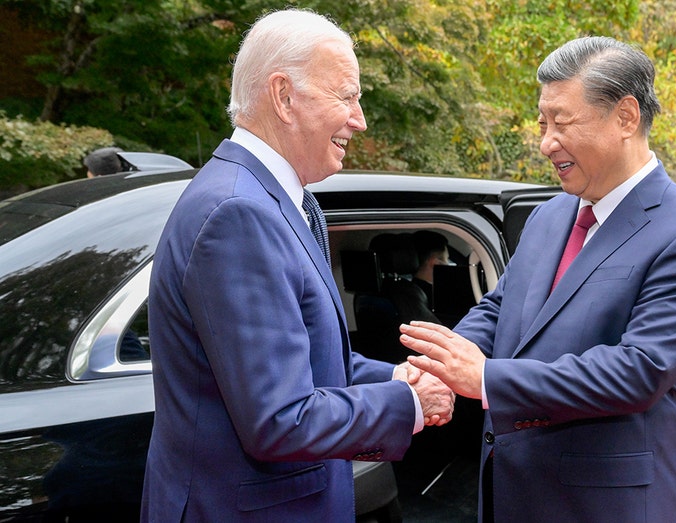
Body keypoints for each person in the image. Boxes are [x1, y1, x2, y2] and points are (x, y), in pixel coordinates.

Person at [399, 37, 676, 522]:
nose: (545, 143)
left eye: (562, 123)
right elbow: (502, 308)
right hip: (511, 488)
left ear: (625, 117)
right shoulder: (548, 215)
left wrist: (487, 378)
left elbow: (639, 370)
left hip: (603, 503)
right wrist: (442, 360)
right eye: (542, 124)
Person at [141, 9, 454, 522]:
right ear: (283, 96)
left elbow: (313, 363)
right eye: (346, 96)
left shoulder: (284, 201)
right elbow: (279, 419)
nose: (360, 119)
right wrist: (411, 405)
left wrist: (398, 376)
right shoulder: (239, 214)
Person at [411, 230, 450, 310]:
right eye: (447, 259)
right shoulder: (437, 297)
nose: (448, 264)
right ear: (436, 263)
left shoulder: (409, 290)